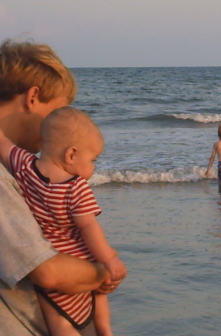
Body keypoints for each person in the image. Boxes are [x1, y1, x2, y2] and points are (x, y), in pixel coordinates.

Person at [0, 38, 123, 336]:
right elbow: (48, 270)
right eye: (58, 111)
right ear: (33, 97)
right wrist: (105, 272)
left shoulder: (19, 166)